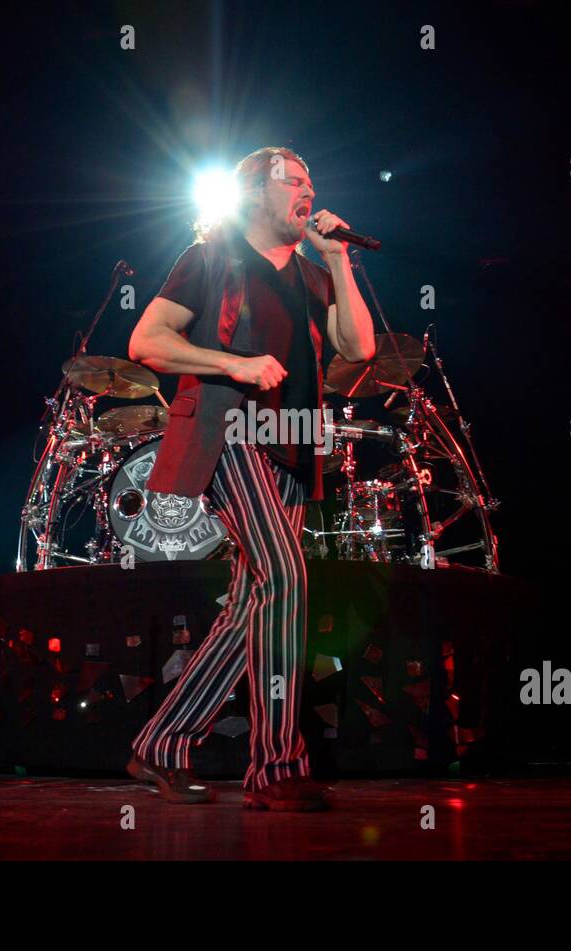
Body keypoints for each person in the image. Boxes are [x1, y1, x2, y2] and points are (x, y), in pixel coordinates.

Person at [126, 146, 375, 811]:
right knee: (287, 576)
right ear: (257, 192)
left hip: (293, 449)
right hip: (231, 436)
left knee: (250, 609)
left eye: (312, 181)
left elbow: (360, 349)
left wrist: (339, 258)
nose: (307, 190)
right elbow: (147, 340)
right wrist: (231, 365)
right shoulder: (210, 259)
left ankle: (161, 744)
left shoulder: (313, 277)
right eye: (294, 180)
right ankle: (274, 767)